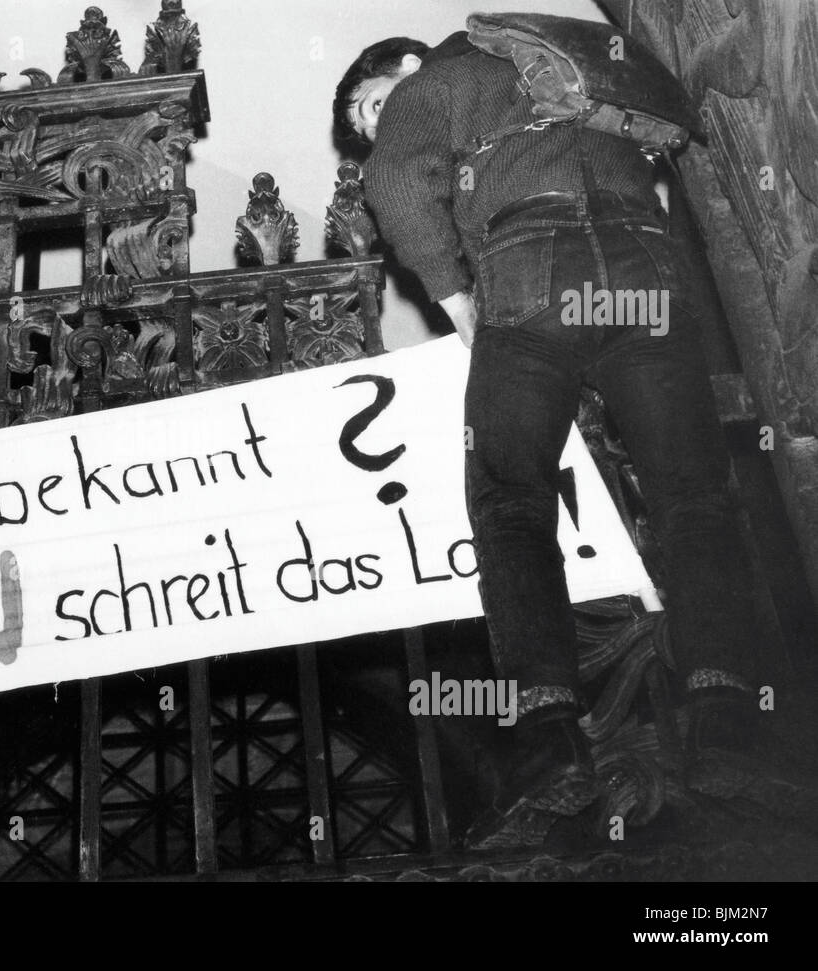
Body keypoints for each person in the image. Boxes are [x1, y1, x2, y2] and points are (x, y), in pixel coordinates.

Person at [333, 27, 797, 848]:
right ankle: (728, 721)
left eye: (372, 106)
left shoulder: (434, 83)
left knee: (511, 504)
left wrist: (456, 300)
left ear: (404, 68)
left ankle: (549, 741)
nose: (377, 125)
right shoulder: (558, 62)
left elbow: (399, 186)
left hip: (529, 264)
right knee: (695, 494)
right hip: (641, 269)